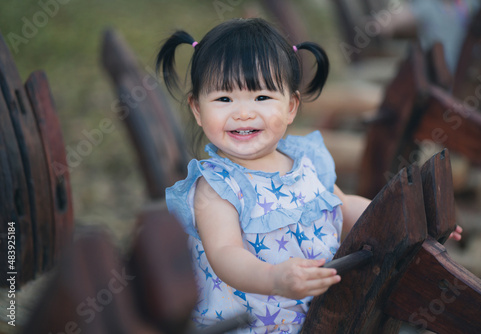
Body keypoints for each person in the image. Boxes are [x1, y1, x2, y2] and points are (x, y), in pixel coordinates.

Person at [157, 18, 462, 333]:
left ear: (291, 107)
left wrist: (413, 220)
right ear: (197, 109)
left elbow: (344, 206)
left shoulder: (306, 161)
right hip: (254, 325)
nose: (243, 112)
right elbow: (225, 254)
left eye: (261, 97)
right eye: (224, 99)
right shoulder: (216, 187)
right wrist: (274, 279)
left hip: (323, 315)